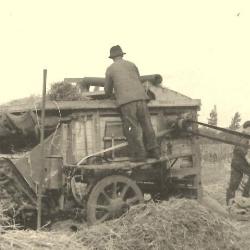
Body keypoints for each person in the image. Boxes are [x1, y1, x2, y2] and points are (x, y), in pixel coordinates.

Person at [104, 45, 160, 162]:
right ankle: (155, 151)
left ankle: (140, 155)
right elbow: (137, 80)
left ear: (112, 57)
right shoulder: (132, 64)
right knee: (147, 125)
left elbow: (107, 91)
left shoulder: (110, 69)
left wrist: (112, 95)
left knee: (133, 128)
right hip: (141, 98)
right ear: (122, 55)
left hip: (126, 102)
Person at [226, 121, 250, 205]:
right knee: (234, 184)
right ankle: (246, 196)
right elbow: (240, 149)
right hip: (240, 163)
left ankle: (229, 204)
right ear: (247, 128)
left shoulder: (241, 135)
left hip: (236, 163)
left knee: (233, 184)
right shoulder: (245, 136)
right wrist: (247, 159)